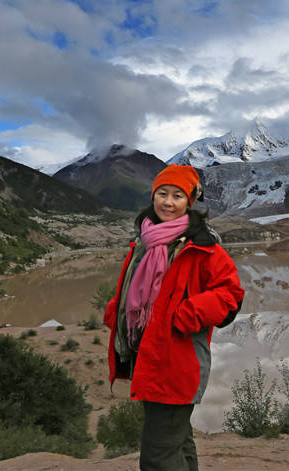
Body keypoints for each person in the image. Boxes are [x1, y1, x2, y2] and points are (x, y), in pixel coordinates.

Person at [104, 164, 244, 471]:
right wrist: (116, 312)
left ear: (189, 202)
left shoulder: (202, 246)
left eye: (177, 195)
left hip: (178, 360)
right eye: (162, 193)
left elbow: (231, 294)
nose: (168, 202)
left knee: (157, 458)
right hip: (148, 354)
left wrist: (186, 314)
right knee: (176, 441)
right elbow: (133, 287)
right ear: (153, 196)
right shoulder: (145, 240)